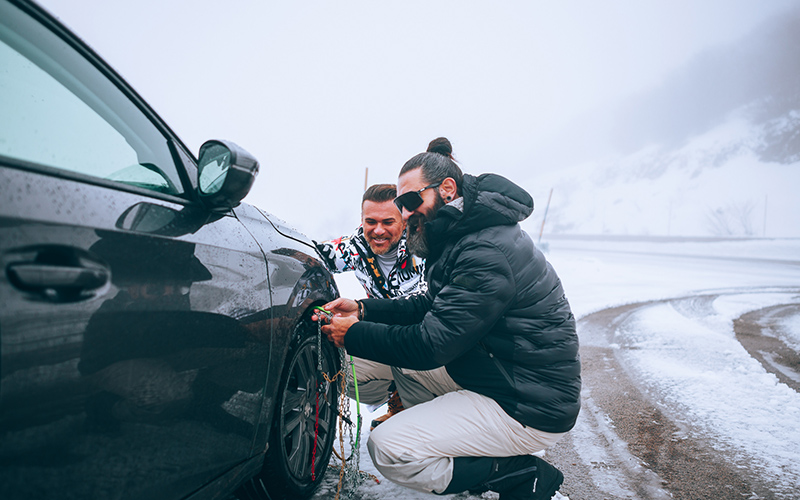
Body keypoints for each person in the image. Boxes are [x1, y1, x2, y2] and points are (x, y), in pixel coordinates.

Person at [314, 138, 581, 500]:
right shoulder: (467, 234)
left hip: (529, 404)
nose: (405, 214)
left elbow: (431, 344)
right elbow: (429, 305)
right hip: (502, 376)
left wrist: (355, 334)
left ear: (447, 189)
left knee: (390, 448)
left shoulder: (484, 251)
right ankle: (451, 439)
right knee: (404, 367)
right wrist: (364, 309)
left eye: (410, 202)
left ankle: (519, 473)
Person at [315, 183, 425, 427]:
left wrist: (361, 309)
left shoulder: (424, 247)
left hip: (428, 343)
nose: (378, 230)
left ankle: (426, 405)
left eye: (388, 222)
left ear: (405, 220)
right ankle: (398, 396)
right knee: (332, 357)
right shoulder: (356, 246)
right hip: (387, 341)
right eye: (370, 221)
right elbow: (315, 255)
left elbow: (424, 305)